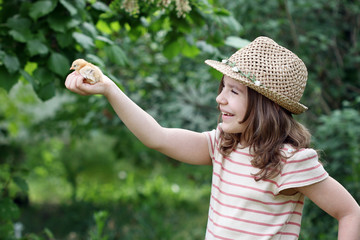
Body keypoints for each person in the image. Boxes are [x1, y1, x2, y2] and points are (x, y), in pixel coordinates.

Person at [65, 36, 360, 239]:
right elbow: (157, 136)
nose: (220, 98)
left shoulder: (290, 161)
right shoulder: (223, 145)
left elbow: (350, 212)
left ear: (264, 104)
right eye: (223, 87)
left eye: (234, 91)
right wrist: (109, 88)